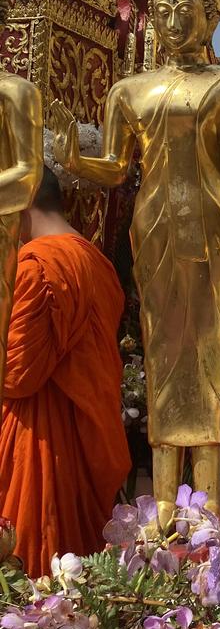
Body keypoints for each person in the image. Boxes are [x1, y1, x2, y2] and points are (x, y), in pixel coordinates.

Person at [0, 167, 131, 578]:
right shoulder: (97, 262)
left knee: (33, 574)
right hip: (85, 439)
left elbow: (16, 373)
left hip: (38, 443)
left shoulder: (36, 267)